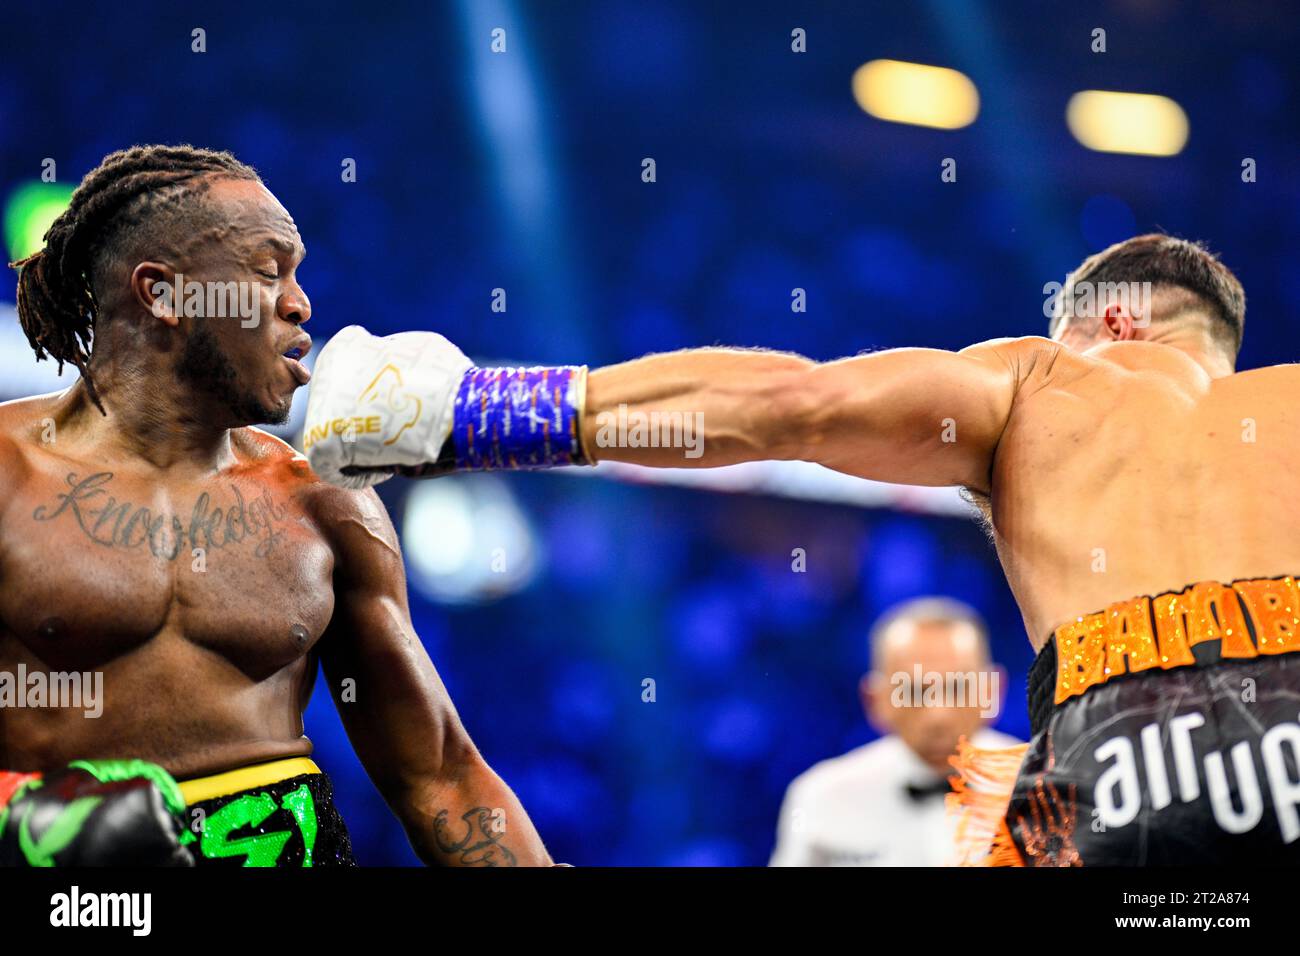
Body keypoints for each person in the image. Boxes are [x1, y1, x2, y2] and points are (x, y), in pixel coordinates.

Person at [308, 232, 1300, 865]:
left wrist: (466, 413)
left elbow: (790, 408)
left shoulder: (1045, 378)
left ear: (1111, 320)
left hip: (1113, 741)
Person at [0, 145, 559, 867]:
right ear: (164, 295)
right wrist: (27, 822)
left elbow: (440, 776)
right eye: (269, 272)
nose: (300, 304)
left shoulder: (325, 505)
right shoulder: (10, 477)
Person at [769, 598, 1018, 866]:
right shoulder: (821, 797)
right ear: (874, 700)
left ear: (993, 691)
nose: (938, 714)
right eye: (914, 691)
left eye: (957, 688)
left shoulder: (1040, 787)